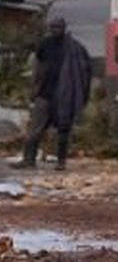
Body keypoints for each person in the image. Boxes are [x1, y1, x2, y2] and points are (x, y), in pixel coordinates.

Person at [18, 15, 92, 171]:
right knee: (35, 129)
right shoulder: (45, 44)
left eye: (58, 27)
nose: (55, 30)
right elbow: (38, 67)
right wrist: (34, 89)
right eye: (52, 27)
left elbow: (84, 73)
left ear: (64, 28)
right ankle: (28, 159)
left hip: (65, 95)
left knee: (63, 130)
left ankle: (61, 161)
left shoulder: (74, 48)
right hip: (45, 93)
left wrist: (82, 95)